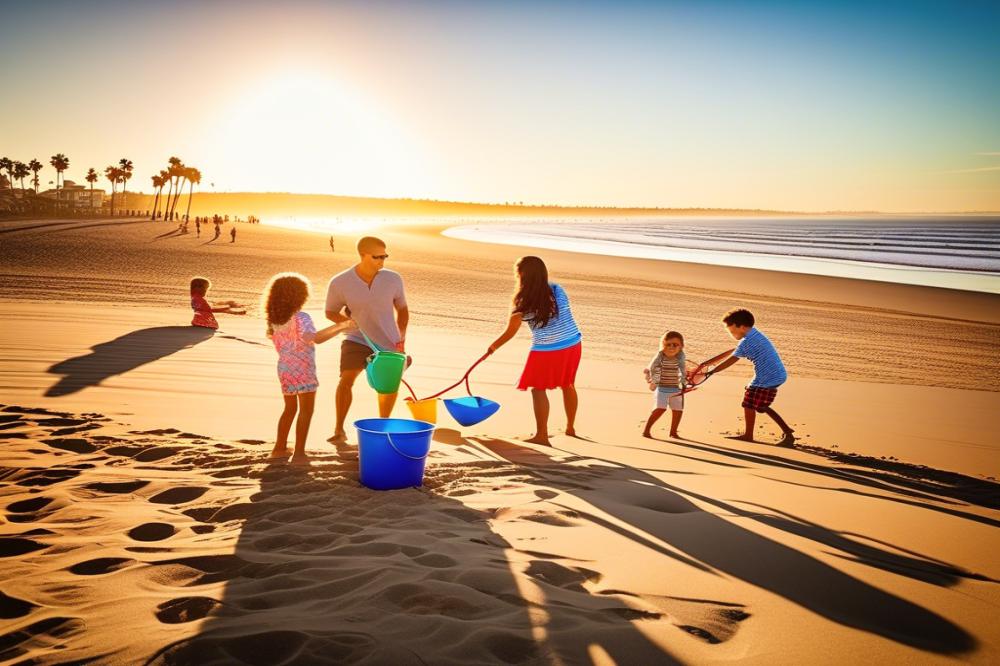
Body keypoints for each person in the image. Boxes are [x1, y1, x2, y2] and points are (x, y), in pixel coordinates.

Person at [487, 256, 581, 446]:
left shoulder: (522, 303)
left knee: (538, 389)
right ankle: (570, 427)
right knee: (568, 384)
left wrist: (493, 347)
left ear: (522, 275)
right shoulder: (557, 289)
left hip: (546, 348)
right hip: (573, 343)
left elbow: (510, 332)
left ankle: (542, 436)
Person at [325, 236, 409, 445]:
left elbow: (403, 309)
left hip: (388, 341)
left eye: (385, 256)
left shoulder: (393, 279)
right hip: (356, 339)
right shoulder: (340, 282)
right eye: (377, 257)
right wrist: (346, 322)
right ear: (363, 255)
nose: (382, 261)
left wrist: (402, 338)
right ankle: (339, 429)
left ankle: (383, 426)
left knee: (388, 387)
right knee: (346, 380)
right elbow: (330, 312)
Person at [264, 273, 354, 466]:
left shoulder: (275, 320)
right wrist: (342, 325)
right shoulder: (301, 317)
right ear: (299, 296)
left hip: (284, 369)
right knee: (306, 410)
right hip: (303, 369)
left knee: (289, 409)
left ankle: (279, 448)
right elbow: (314, 338)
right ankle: (298, 454)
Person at [705, 308, 795, 446]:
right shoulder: (755, 335)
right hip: (775, 374)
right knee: (755, 404)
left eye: (731, 330)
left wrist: (712, 371)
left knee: (755, 405)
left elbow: (731, 359)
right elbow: (734, 351)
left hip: (768, 376)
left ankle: (762, 435)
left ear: (741, 326)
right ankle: (779, 432)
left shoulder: (746, 342)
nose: (731, 334)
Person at [642, 331, 690, 439]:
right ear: (663, 345)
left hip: (676, 388)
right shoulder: (660, 356)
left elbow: (683, 370)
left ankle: (673, 432)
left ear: (681, 346)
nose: (672, 347)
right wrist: (651, 379)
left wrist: (684, 382)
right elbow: (652, 367)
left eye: (675, 345)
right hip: (661, 387)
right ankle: (646, 430)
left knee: (678, 410)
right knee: (660, 408)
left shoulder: (681, 356)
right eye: (668, 344)